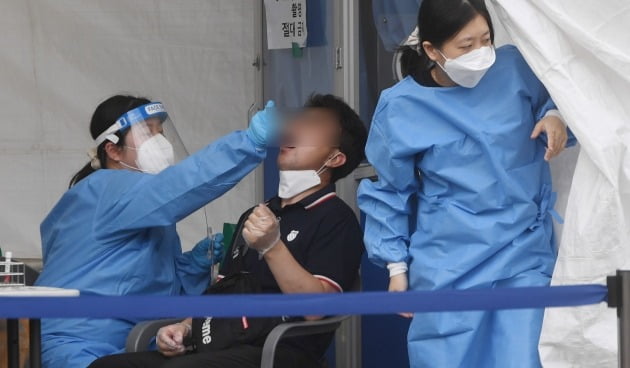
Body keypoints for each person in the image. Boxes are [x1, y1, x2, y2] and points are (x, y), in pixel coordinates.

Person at [357, 1, 577, 367]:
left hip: (522, 251)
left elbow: (565, 94)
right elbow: (389, 193)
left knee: (522, 356)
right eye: (465, 45)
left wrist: (554, 116)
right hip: (449, 263)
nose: (480, 54)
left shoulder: (516, 68)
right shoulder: (401, 107)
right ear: (432, 50)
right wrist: (396, 269)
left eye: (486, 40)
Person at [88, 94, 367, 368]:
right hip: (222, 342)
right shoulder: (257, 213)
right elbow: (222, 291)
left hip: (278, 350)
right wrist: (184, 328)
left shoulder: (336, 219)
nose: (292, 129)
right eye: (296, 122)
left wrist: (273, 247)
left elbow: (315, 310)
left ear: (335, 158)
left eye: (311, 126)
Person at [35, 95, 278, 368]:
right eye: (147, 132)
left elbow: (139, 282)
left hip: (121, 344)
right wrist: (248, 143)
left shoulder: (135, 203)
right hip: (81, 345)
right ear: (113, 150)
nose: (160, 141)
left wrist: (189, 267)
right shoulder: (106, 189)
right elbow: (183, 182)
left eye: (161, 132)